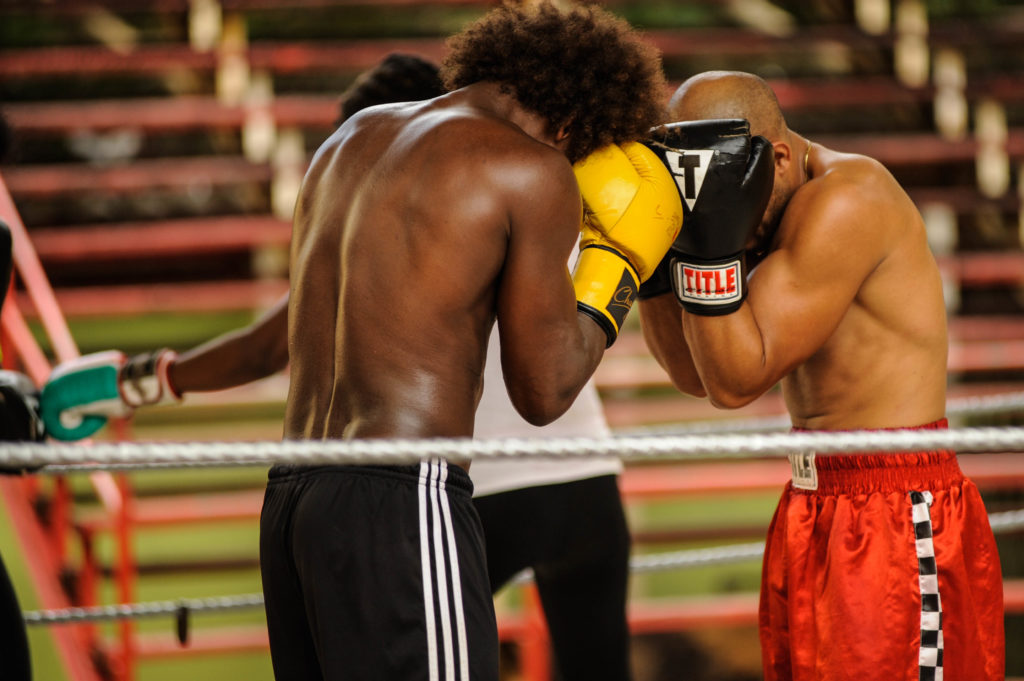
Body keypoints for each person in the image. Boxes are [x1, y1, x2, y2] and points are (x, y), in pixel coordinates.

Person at [41, 4, 683, 679]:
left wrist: (144, 379)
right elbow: (544, 390)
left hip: (294, 497)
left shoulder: (349, 141)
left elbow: (276, 336)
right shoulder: (528, 168)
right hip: (405, 496)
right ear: (578, 123)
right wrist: (621, 269)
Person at [638, 70, 1005, 680]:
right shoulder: (775, 211)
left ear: (777, 157)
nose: (727, 210)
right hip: (814, 500)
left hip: (892, 510)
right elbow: (696, 375)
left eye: (733, 188)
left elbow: (735, 381)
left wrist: (706, 247)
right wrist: (656, 252)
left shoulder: (848, 198)